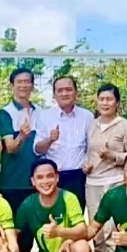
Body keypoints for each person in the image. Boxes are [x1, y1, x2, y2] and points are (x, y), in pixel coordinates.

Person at [0, 68, 42, 252]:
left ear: (33, 85)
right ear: (12, 85)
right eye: (19, 81)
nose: (24, 85)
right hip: (11, 183)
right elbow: (11, 148)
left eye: (28, 81)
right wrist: (23, 135)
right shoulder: (5, 113)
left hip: (34, 183)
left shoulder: (40, 112)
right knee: (11, 232)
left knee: (28, 234)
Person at [84, 84, 127, 252]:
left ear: (117, 102)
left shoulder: (125, 125)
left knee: (112, 229)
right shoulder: (91, 124)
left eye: (109, 99)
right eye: (101, 99)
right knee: (97, 230)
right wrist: (85, 165)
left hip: (115, 181)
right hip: (92, 183)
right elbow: (86, 151)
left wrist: (113, 155)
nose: (105, 103)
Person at [34, 76, 94, 208]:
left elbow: (92, 146)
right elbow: (37, 150)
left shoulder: (87, 116)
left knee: (77, 213)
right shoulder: (44, 116)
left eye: (68, 89)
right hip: (54, 177)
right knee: (54, 214)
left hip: (79, 176)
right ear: (54, 95)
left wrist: (89, 163)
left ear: (76, 93)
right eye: (60, 90)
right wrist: (50, 140)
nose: (64, 93)